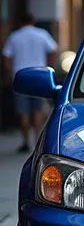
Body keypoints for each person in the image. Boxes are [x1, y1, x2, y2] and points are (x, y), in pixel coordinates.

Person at [2, 14, 58, 153]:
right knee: (37, 111)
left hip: (21, 77)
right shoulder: (41, 34)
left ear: (20, 22)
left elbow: (6, 56)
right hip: (39, 75)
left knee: (23, 112)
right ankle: (37, 142)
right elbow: (53, 50)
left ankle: (26, 142)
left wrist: (9, 73)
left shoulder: (14, 36)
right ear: (33, 21)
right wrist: (48, 66)